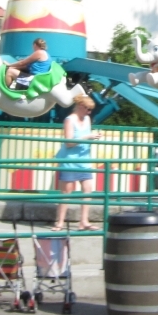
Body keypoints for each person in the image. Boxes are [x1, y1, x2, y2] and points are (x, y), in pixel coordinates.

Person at [52, 95, 102, 231]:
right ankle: (60, 222)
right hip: (70, 160)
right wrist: (87, 137)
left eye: (91, 109)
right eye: (88, 109)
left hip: (84, 160)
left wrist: (94, 137)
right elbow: (68, 142)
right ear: (81, 106)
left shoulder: (87, 119)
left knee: (87, 190)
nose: (89, 112)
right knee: (66, 191)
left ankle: (84, 221)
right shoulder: (69, 120)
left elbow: (85, 137)